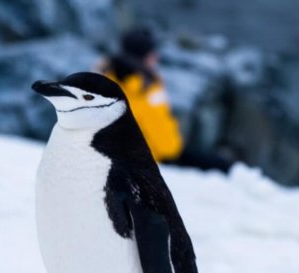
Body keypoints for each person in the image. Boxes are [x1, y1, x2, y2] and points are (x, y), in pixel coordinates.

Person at [99, 27, 233, 173]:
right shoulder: (111, 87)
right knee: (220, 168)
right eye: (151, 53)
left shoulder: (150, 81)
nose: (156, 57)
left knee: (223, 165)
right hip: (149, 160)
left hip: (172, 151)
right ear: (139, 56)